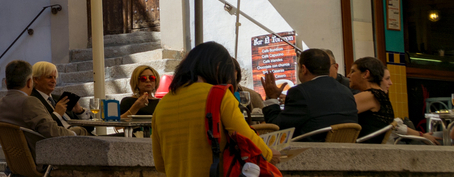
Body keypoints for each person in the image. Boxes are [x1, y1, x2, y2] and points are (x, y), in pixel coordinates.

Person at [151, 42, 271, 177]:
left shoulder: (162, 104)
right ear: (219, 67)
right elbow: (248, 140)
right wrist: (270, 153)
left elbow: (160, 164)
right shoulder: (219, 95)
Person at [260, 48, 357, 140]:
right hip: (344, 150)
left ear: (303, 69)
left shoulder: (300, 92)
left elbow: (278, 127)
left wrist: (271, 98)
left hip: (309, 151)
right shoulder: (346, 91)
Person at [0, 60, 72, 159]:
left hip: (16, 164)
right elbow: (53, 132)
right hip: (43, 163)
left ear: (6, 82)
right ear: (29, 82)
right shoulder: (30, 102)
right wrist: (75, 134)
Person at [348, 56, 393, 143]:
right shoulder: (381, 95)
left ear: (366, 74)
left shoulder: (371, 96)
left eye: (353, 71)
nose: (348, 75)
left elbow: (336, 112)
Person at [29, 62, 71, 129]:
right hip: (61, 136)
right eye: (49, 77)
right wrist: (57, 114)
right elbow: (44, 127)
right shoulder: (33, 100)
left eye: (55, 77)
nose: (53, 81)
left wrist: (80, 111)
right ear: (36, 79)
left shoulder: (58, 98)